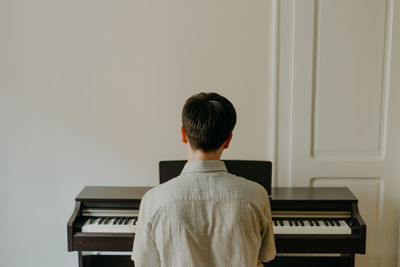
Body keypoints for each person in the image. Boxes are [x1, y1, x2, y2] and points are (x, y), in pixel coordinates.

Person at [132, 92, 276, 267]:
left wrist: (145, 233)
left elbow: (144, 263)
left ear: (183, 134)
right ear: (228, 140)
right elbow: (264, 257)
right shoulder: (257, 194)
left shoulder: (153, 200)